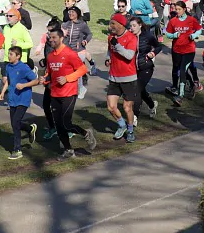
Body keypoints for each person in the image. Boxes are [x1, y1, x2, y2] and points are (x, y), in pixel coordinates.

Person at [41, 28, 97, 160]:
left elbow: (82, 69)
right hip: (55, 93)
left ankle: (86, 133)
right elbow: (49, 72)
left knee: (66, 123)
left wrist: (67, 78)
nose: (51, 40)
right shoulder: (50, 56)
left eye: (54, 37)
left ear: (61, 38)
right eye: (50, 37)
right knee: (59, 125)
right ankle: (68, 150)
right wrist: (45, 79)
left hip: (69, 93)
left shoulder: (70, 53)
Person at [0, 46, 39, 160]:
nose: (9, 56)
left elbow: (36, 80)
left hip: (23, 99)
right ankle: (30, 129)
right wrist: (2, 92)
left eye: (11, 54)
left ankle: (17, 150)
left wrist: (23, 85)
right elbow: (9, 81)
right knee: (14, 123)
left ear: (18, 56)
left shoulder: (24, 68)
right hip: (13, 99)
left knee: (15, 123)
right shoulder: (8, 66)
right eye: (9, 54)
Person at [105, 13, 139, 142]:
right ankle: (122, 125)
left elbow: (129, 55)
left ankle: (130, 130)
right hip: (114, 77)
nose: (111, 26)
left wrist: (118, 45)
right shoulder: (111, 37)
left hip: (128, 78)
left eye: (113, 23)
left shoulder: (131, 38)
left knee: (127, 107)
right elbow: (110, 50)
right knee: (111, 107)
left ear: (120, 24)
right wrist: (108, 58)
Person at [165, 1, 202, 106]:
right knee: (181, 70)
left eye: (179, 9)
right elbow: (167, 33)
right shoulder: (173, 21)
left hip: (189, 50)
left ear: (184, 9)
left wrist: (194, 35)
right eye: (176, 9)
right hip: (177, 50)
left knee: (182, 70)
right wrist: (174, 35)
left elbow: (199, 29)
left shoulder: (191, 20)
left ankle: (180, 95)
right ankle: (192, 85)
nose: (177, 11)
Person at [128, 18, 161, 120]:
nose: (132, 28)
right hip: (133, 68)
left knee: (137, 90)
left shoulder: (147, 36)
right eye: (130, 26)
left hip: (146, 67)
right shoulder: (129, 36)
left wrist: (153, 53)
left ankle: (134, 116)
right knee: (141, 90)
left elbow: (158, 46)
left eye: (134, 26)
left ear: (140, 25)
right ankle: (151, 104)